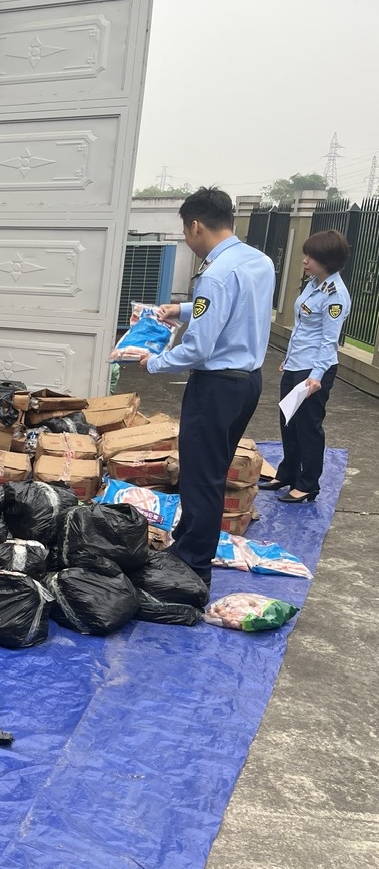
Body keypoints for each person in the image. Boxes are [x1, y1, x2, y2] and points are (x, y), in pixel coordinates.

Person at [136, 187, 275, 587]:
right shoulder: (259, 261)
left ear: (195, 226)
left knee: (201, 476)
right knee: (211, 469)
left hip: (215, 386)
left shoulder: (214, 274)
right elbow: (235, 309)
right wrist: (179, 309)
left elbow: (198, 348)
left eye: (185, 231)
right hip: (247, 382)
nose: (187, 239)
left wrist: (154, 362)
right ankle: (188, 544)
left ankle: (193, 564)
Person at [260, 229, 351, 503]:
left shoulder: (335, 295)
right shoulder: (313, 284)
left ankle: (308, 484)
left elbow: (328, 341)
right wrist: (289, 359)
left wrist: (315, 376)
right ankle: (287, 473)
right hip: (296, 364)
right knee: (288, 422)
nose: (305, 260)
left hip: (314, 370)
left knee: (307, 427)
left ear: (328, 260)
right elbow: (302, 328)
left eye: (311, 256)